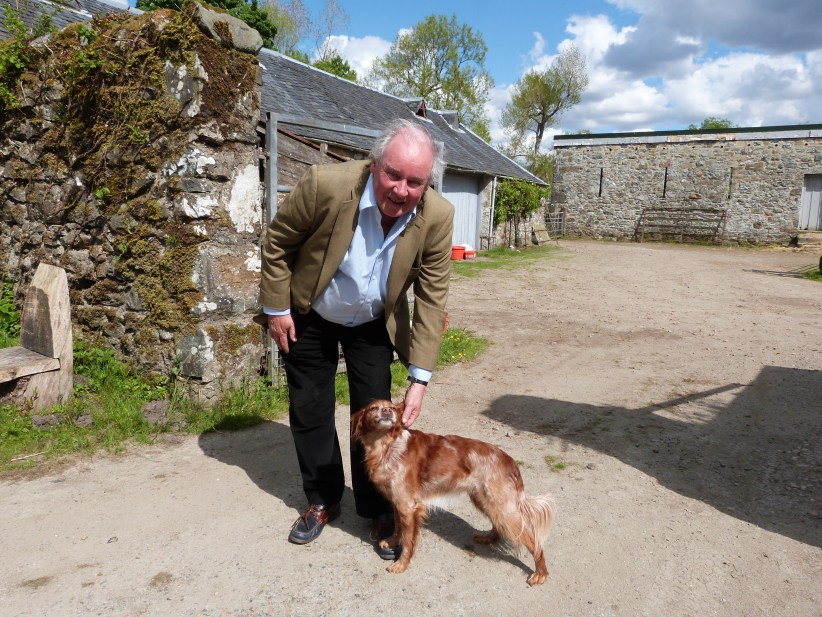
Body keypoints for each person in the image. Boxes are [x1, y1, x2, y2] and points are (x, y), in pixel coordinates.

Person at [256, 118, 454, 556]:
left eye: (415, 181)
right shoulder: (324, 185)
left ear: (428, 183)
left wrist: (420, 378)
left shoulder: (438, 216)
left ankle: (377, 507)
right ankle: (323, 500)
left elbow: (432, 298)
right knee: (311, 407)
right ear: (375, 163)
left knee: (378, 416)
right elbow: (278, 242)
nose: (401, 189)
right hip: (311, 311)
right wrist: (277, 309)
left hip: (373, 321)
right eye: (393, 174)